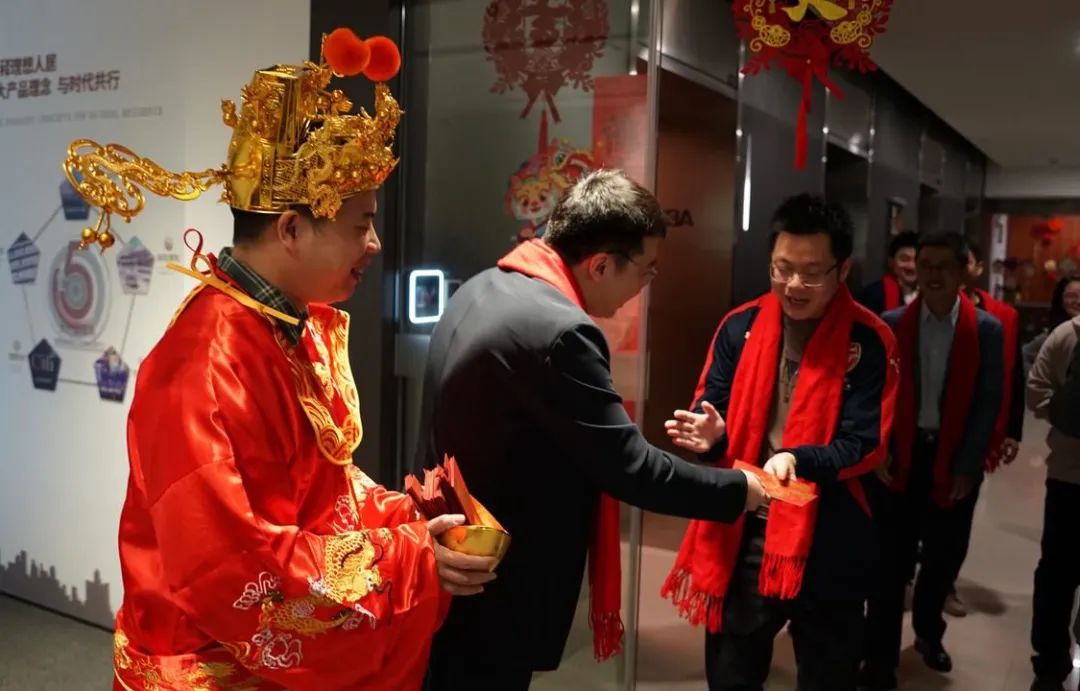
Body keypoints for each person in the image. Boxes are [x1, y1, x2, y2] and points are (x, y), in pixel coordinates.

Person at [65, 31, 496, 691]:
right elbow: (235, 571)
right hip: (212, 665)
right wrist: (407, 560)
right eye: (360, 224)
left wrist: (403, 519)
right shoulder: (207, 365)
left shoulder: (283, 329)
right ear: (292, 228)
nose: (375, 243)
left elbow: (321, 487)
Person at [416, 169, 768, 690]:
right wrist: (741, 489)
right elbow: (631, 467)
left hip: (456, 551)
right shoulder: (561, 331)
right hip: (495, 575)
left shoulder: (485, 286)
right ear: (601, 265)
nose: (647, 284)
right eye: (647, 269)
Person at [662, 194, 899, 691]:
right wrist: (710, 437)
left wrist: (797, 458)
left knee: (828, 671)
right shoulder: (741, 325)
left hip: (831, 528)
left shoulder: (870, 340)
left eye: (811, 273)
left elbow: (865, 442)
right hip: (748, 521)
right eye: (782, 268)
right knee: (732, 669)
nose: (793, 285)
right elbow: (712, 404)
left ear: (843, 269)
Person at [861, 232, 1004, 690]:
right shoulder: (891, 323)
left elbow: (988, 401)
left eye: (944, 266)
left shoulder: (986, 330)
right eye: (926, 265)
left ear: (963, 272)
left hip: (953, 459)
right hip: (900, 457)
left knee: (942, 561)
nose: (933, 275)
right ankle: (880, 659)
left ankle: (928, 633)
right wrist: (878, 449)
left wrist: (968, 465)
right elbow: (874, 394)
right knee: (888, 566)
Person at [1026, 305, 1080, 691]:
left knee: (1055, 575)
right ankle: (1049, 664)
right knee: (1057, 574)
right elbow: (1036, 389)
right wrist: (1065, 416)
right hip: (1068, 475)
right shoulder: (1067, 336)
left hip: (1066, 473)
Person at [1023, 274, 1080, 376]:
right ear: (1061, 301)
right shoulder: (1053, 335)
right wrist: (1035, 377)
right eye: (1072, 296)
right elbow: (1023, 355)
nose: (1079, 301)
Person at [858, 230, 919, 314]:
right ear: (891, 262)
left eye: (917, 260)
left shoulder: (931, 295)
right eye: (904, 259)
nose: (911, 266)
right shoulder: (872, 295)